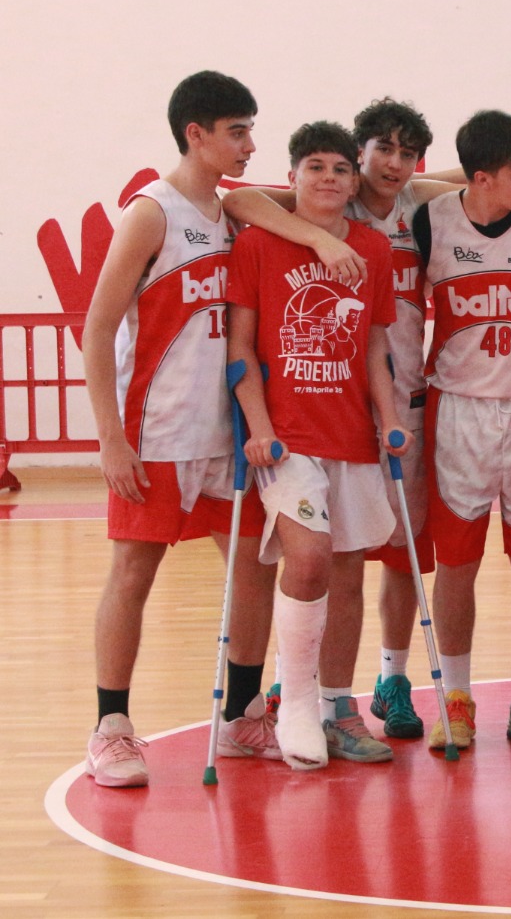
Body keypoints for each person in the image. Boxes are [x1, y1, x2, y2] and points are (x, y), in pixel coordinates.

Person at [222, 97, 453, 744]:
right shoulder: (267, 236)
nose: (329, 178)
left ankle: (340, 705)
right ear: (295, 175)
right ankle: (294, 697)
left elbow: (377, 347)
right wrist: (259, 427)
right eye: (316, 168)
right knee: (310, 559)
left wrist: (389, 416)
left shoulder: (387, 234)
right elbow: (240, 343)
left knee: (356, 568)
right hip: (289, 434)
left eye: (339, 169)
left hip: (361, 427)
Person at [82, 71, 278, 787]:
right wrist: (111, 438)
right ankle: (110, 728)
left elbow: (359, 191)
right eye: (237, 132)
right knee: (134, 572)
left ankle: (241, 716)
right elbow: (98, 329)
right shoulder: (151, 213)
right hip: (156, 433)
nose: (250, 145)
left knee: (255, 567)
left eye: (251, 130)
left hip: (227, 435)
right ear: (196, 134)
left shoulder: (237, 213)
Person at [414, 111, 511, 753]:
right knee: (457, 564)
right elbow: (384, 189)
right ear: (480, 179)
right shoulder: (430, 221)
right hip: (458, 409)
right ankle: (455, 699)